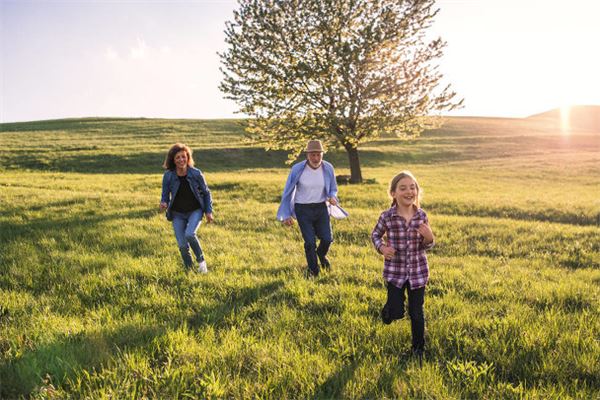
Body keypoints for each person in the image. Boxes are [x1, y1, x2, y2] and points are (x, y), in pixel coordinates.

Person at [371, 171, 435, 360]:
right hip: (395, 273)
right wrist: (382, 247)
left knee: (417, 312)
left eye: (412, 187)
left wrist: (430, 237)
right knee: (397, 312)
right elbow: (375, 235)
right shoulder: (387, 217)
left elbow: (427, 244)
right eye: (403, 188)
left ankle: (418, 349)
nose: (409, 191)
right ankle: (389, 311)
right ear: (393, 193)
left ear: (417, 191)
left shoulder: (421, 216)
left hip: (417, 273)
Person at [277, 139, 340, 277]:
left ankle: (321, 255)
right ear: (307, 155)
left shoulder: (328, 168)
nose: (316, 158)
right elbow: (288, 191)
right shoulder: (297, 169)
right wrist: (286, 214)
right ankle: (313, 271)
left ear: (322, 154)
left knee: (327, 239)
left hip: (321, 207)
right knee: (310, 242)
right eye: (313, 155)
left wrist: (333, 197)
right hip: (303, 209)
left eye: (319, 154)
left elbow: (333, 189)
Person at [160, 143, 214, 273]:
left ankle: (201, 263)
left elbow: (206, 193)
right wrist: (164, 202)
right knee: (182, 245)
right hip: (177, 213)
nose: (181, 160)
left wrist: (208, 211)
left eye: (183, 157)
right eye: (178, 157)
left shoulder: (196, 173)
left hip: (195, 210)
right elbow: (165, 194)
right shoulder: (168, 175)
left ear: (188, 158)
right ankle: (189, 269)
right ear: (173, 160)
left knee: (190, 234)